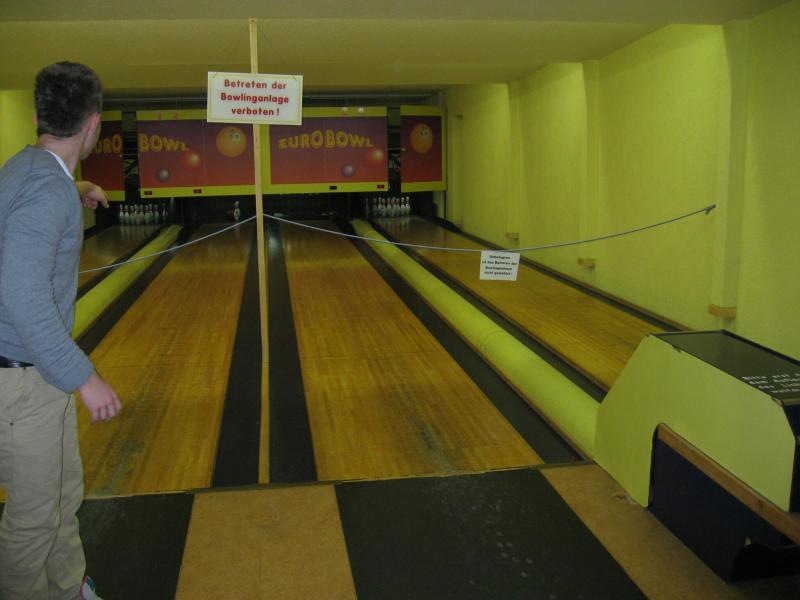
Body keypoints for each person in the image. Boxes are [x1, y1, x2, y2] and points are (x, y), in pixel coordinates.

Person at [0, 62, 122, 600]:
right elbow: (23, 295)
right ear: (94, 124)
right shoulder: (47, 193)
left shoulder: (26, 169)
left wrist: (78, 189)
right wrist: (84, 378)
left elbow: (32, 209)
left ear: (37, 118)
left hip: (34, 374)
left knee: (62, 493)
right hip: (21, 379)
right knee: (33, 518)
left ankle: (67, 587)